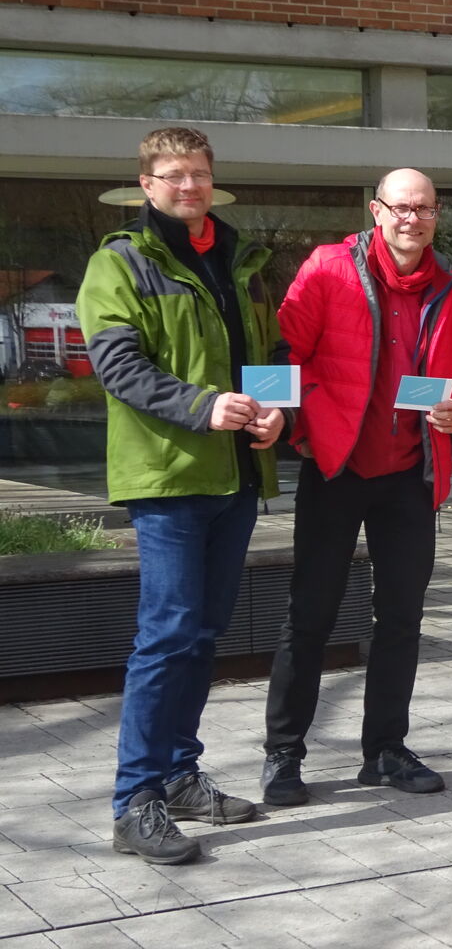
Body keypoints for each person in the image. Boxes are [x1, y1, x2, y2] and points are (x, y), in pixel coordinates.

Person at [78, 127, 284, 864]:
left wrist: (273, 408)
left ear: (212, 179)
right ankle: (134, 800)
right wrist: (204, 407)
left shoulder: (239, 258)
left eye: (198, 173)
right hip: (167, 477)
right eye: (172, 175)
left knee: (202, 634)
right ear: (146, 184)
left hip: (234, 476)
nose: (188, 186)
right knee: (166, 634)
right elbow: (118, 366)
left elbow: (263, 355)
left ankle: (177, 772)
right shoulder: (121, 263)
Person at [260, 168, 452, 803]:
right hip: (336, 466)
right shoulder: (330, 267)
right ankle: (284, 754)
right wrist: (285, 423)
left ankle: (384, 750)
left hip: (411, 474)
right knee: (311, 615)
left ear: (436, 216)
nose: (412, 219)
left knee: (402, 621)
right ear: (376, 211)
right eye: (400, 208)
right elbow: (286, 352)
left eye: (425, 209)